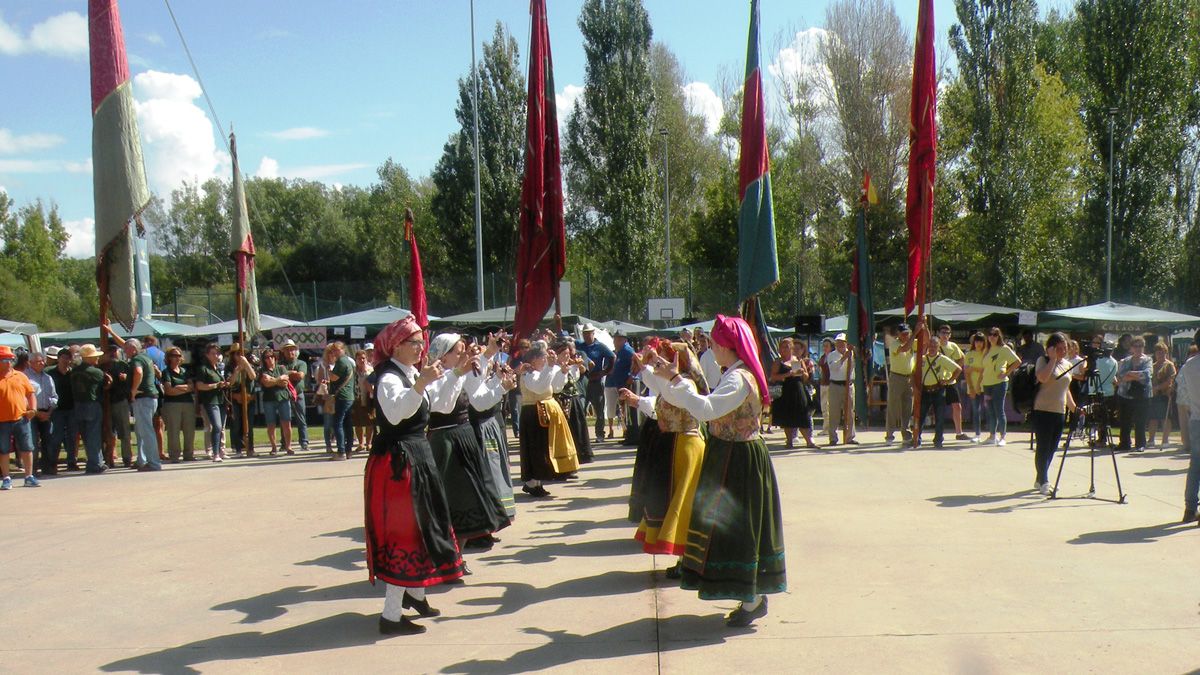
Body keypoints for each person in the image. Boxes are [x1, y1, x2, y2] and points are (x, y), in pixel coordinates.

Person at [649, 314, 785, 627]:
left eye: (714, 342)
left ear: (727, 346)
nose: (711, 347)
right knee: (730, 525)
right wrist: (669, 378)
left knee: (737, 527)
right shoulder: (734, 373)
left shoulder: (738, 379)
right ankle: (749, 596)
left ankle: (752, 598)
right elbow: (701, 403)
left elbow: (706, 410)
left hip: (737, 459)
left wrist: (673, 380)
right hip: (729, 455)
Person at [364, 316, 465, 635]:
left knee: (423, 526)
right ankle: (390, 616)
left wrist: (445, 375)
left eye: (422, 341)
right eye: (415, 342)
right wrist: (421, 383)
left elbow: (440, 406)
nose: (421, 347)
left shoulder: (409, 372)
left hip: (416, 455)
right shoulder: (389, 377)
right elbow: (395, 414)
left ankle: (415, 594)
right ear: (396, 346)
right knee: (404, 532)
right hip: (397, 463)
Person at [619, 339, 708, 579]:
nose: (664, 363)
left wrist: (651, 366)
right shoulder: (673, 383)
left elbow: (669, 391)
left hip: (687, 448)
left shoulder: (685, 383)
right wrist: (647, 367)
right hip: (676, 448)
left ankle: (690, 560)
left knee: (684, 506)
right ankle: (685, 559)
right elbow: (661, 392)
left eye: (667, 358)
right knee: (676, 505)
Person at [424, 333, 510, 551]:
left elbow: (479, 401)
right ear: (443, 356)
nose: (464, 354)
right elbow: (440, 405)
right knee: (451, 499)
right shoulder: (431, 377)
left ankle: (459, 554)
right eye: (458, 351)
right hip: (444, 441)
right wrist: (457, 373)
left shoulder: (459, 373)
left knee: (470, 497)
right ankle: (448, 553)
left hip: (464, 437)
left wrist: (501, 386)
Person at [467, 333, 520, 524]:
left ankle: (492, 519)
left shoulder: (475, 372)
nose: (476, 355)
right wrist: (502, 387)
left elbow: (482, 390)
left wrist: (498, 379)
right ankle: (484, 522)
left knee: (494, 472)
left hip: (487, 424)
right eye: (471, 351)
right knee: (486, 476)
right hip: (476, 427)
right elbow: (479, 402)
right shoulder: (467, 372)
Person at [517, 340, 580, 497]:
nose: (545, 360)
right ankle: (532, 482)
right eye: (543, 358)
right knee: (535, 448)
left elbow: (556, 387)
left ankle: (537, 481)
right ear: (534, 360)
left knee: (543, 447)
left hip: (542, 412)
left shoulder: (541, 372)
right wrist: (551, 368)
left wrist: (563, 372)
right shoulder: (528, 373)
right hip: (533, 413)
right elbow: (539, 387)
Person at [1032, 333, 1077, 495]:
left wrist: (1074, 408)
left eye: (1065, 348)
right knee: (1043, 447)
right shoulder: (1043, 361)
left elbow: (1066, 389)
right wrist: (1052, 359)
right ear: (1050, 348)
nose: (1062, 351)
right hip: (1043, 409)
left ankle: (1040, 478)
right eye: (1058, 348)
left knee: (1052, 448)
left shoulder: (1066, 364)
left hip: (1059, 411)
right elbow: (1043, 378)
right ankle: (1044, 480)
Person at [115, 335, 160, 471]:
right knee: (142, 431)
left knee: (146, 431)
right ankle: (143, 460)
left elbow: (138, 372)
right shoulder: (145, 357)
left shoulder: (137, 359)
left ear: (133, 349)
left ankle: (153, 463)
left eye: (126, 350)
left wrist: (133, 391)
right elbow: (126, 344)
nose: (125, 352)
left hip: (143, 398)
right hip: (151, 397)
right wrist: (110, 331)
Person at [0, 345, 39, 489]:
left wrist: (33, 409)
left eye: (10, 359)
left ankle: (29, 476)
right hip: (1, 420)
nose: (8, 362)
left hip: (21, 417)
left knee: (27, 447)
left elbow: (30, 393)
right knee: (3, 450)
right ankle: (6, 478)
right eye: (4, 360)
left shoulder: (20, 375)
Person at [915, 333, 963, 448]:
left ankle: (938, 440)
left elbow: (958, 369)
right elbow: (914, 373)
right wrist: (915, 387)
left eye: (935, 345)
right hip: (925, 391)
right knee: (920, 416)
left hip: (938, 390)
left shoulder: (942, 359)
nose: (932, 348)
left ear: (938, 346)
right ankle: (917, 439)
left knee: (940, 417)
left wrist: (948, 380)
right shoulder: (922, 359)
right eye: (930, 345)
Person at [769, 338, 816, 449]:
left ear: (791, 348)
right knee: (787, 417)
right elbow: (773, 377)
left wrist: (802, 373)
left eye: (787, 346)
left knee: (803, 415)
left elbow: (806, 378)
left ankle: (809, 441)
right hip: (785, 392)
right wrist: (788, 374)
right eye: (782, 347)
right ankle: (789, 441)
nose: (784, 349)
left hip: (798, 390)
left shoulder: (798, 360)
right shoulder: (778, 362)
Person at [552, 338, 593, 464]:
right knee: (568, 429)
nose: (567, 357)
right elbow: (556, 386)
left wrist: (576, 366)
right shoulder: (554, 369)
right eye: (564, 354)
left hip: (574, 399)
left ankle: (583, 453)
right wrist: (564, 371)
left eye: (568, 354)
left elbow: (575, 377)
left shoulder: (567, 366)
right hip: (563, 401)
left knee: (579, 426)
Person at [71, 344, 109, 474]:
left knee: (86, 435)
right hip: (92, 404)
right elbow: (105, 384)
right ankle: (95, 463)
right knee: (94, 434)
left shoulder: (74, 371)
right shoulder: (96, 372)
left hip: (78, 405)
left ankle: (95, 461)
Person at [981, 327, 1021, 446]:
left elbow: (1017, 361)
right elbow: (984, 367)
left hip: (1000, 383)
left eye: (995, 335)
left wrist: (1006, 372)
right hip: (987, 383)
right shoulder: (987, 350)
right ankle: (992, 436)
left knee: (999, 409)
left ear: (999, 336)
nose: (992, 337)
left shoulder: (1004, 349)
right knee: (990, 410)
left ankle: (1002, 436)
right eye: (990, 334)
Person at [576, 324, 614, 441]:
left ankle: (599, 434)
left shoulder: (600, 346)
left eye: (589, 333)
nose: (587, 335)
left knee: (599, 409)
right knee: (581, 408)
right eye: (585, 333)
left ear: (593, 333)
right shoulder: (580, 346)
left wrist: (604, 372)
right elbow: (566, 341)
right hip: (583, 380)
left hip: (596, 381)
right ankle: (582, 435)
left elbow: (612, 357)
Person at [194, 343, 230, 462]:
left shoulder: (219, 368)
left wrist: (225, 384)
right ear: (207, 355)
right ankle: (215, 453)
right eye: (213, 353)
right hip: (210, 401)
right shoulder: (203, 368)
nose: (216, 356)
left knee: (221, 427)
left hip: (221, 400)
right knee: (217, 426)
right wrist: (216, 385)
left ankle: (220, 450)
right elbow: (199, 386)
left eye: (218, 353)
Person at [160, 346, 197, 462]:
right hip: (172, 405)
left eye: (179, 356)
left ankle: (189, 454)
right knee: (173, 430)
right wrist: (185, 388)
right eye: (174, 356)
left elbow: (192, 387)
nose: (177, 358)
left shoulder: (185, 371)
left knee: (189, 430)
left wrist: (178, 387)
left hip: (188, 403)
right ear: (168, 358)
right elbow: (168, 391)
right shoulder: (166, 372)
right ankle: (174, 455)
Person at [1116, 336, 1152, 452]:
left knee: (1140, 421)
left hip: (1142, 395)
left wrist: (1130, 373)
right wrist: (1135, 375)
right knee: (1125, 420)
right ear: (1131, 347)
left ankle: (1140, 444)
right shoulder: (1126, 360)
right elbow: (1121, 376)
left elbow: (1146, 375)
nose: (1138, 349)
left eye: (1140, 346)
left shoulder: (1148, 360)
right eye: (1135, 346)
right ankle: (1124, 443)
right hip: (1125, 394)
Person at [100, 344, 132, 468]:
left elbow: (131, 380)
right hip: (106, 403)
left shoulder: (123, 365)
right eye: (110, 351)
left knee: (124, 431)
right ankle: (108, 458)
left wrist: (125, 378)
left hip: (121, 401)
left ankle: (127, 458)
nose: (113, 353)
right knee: (108, 432)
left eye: (115, 351)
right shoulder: (102, 366)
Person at [936, 325, 971, 441]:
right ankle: (938, 433)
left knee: (957, 406)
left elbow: (962, 358)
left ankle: (959, 432)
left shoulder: (953, 346)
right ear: (938, 334)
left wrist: (955, 368)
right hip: (938, 380)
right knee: (938, 407)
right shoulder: (935, 345)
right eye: (943, 332)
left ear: (950, 335)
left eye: (947, 333)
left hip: (951, 380)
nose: (945, 335)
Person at [46, 346, 78, 472]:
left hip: (72, 409)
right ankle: (53, 462)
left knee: (72, 436)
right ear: (58, 359)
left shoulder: (73, 373)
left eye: (68, 358)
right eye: (63, 358)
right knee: (56, 436)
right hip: (57, 410)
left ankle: (71, 461)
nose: (66, 360)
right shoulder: (50, 373)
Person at [24, 352, 56, 477]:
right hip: (31, 414)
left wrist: (49, 412)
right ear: (30, 363)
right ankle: (32, 469)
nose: (42, 363)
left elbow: (54, 396)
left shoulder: (48, 377)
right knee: (32, 442)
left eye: (43, 361)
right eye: (38, 361)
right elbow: (24, 398)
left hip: (47, 412)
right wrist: (37, 413)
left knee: (48, 440)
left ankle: (47, 467)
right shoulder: (25, 377)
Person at [884, 323, 916, 446]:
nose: (906, 336)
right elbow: (904, 349)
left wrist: (923, 326)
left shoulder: (912, 341)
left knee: (908, 407)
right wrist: (915, 332)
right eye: (903, 334)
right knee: (893, 406)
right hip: (896, 377)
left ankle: (906, 433)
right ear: (898, 334)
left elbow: (925, 342)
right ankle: (889, 434)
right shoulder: (894, 344)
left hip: (909, 377)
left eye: (907, 333)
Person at [257, 349, 294, 456]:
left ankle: (288, 446)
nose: (270, 359)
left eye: (271, 357)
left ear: (275, 358)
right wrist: (278, 380)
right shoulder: (262, 371)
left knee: (287, 423)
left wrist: (273, 380)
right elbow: (266, 383)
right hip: (269, 400)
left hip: (283, 398)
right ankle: (274, 447)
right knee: (271, 425)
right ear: (264, 360)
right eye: (267, 357)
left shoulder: (281, 368)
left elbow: (285, 383)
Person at [226, 345, 258, 458]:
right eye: (237, 354)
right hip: (236, 400)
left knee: (249, 424)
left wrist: (246, 364)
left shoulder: (251, 365)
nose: (239, 356)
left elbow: (253, 376)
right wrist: (237, 370)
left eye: (242, 353)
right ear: (233, 355)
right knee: (237, 424)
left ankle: (250, 448)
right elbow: (230, 382)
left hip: (249, 399)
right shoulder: (229, 367)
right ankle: (238, 448)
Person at [825, 334, 857, 446]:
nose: (840, 344)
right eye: (838, 342)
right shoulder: (832, 355)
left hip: (848, 385)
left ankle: (849, 437)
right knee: (834, 412)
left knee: (850, 413)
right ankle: (833, 437)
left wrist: (851, 355)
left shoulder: (852, 354)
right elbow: (834, 368)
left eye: (843, 342)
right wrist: (844, 358)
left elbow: (854, 367)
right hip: (835, 385)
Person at [278, 340, 310, 452]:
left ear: (295, 351)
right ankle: (284, 443)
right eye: (287, 349)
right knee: (285, 420)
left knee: (301, 418)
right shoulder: (280, 364)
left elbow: (300, 376)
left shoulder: (301, 363)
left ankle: (304, 442)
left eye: (292, 349)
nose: (290, 351)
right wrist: (292, 373)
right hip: (284, 394)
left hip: (298, 394)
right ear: (284, 352)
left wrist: (288, 373)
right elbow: (280, 376)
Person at [326, 341, 356, 460]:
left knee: (338, 423)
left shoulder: (341, 361)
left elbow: (334, 377)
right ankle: (348, 450)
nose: (334, 352)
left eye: (336, 350)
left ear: (343, 350)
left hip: (342, 396)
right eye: (333, 350)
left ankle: (341, 451)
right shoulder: (348, 361)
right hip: (349, 396)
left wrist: (329, 371)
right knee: (348, 424)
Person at [1147, 342, 1177, 449]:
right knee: (1153, 418)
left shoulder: (1169, 365)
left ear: (1166, 353)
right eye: (1158, 352)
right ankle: (1151, 439)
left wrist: (1158, 388)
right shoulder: (1152, 366)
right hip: (1153, 396)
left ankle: (1165, 440)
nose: (1160, 354)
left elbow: (1170, 380)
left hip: (1165, 395)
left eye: (1162, 352)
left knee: (1165, 418)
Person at [963, 332, 987, 441]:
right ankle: (977, 434)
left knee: (990, 409)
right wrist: (972, 387)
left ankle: (993, 433)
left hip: (986, 385)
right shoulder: (969, 354)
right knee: (976, 410)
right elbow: (966, 372)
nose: (979, 343)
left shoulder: (986, 353)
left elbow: (985, 370)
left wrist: (974, 369)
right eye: (977, 341)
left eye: (981, 341)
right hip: (972, 385)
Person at [352, 347, 376, 455]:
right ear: (356, 360)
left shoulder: (371, 370)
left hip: (368, 398)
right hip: (357, 398)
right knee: (358, 422)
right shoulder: (353, 372)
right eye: (359, 358)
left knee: (369, 422)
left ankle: (368, 443)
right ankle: (360, 443)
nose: (362, 360)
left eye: (363, 358)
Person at [1178, 345, 1198, 452]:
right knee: (1184, 421)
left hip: (1193, 397)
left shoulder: (1189, 365)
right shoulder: (1187, 365)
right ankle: (1186, 444)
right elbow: (1179, 381)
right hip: (1183, 396)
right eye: (1192, 353)